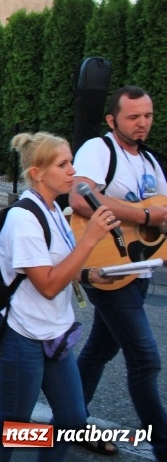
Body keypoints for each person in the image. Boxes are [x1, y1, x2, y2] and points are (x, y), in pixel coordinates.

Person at [0, 132, 119, 461]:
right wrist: (90, 239)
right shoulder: (23, 218)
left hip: (55, 332)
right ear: (37, 173)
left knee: (73, 419)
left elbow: (59, 264)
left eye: (71, 161)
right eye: (63, 164)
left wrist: (86, 274)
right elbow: (46, 284)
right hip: (24, 336)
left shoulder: (55, 211)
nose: (73, 170)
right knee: (12, 425)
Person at [68, 86, 167, 460]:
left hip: (137, 270)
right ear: (113, 120)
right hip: (106, 268)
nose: (142, 124)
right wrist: (143, 216)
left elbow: (160, 216)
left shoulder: (151, 162)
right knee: (145, 358)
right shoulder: (99, 149)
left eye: (148, 116)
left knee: (101, 347)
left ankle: (71, 421)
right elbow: (81, 197)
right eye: (133, 117)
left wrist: (153, 222)